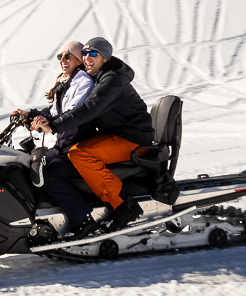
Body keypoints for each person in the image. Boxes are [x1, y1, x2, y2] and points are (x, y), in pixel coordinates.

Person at [30, 37, 154, 239]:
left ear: (105, 57)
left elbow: (88, 109)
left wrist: (53, 126)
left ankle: (124, 205)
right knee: (73, 153)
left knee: (79, 154)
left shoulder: (113, 80)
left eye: (93, 53)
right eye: (85, 52)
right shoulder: (101, 77)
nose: (87, 57)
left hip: (133, 138)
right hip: (117, 136)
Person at [8, 40, 94, 188]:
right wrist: (29, 115)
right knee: (25, 163)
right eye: (60, 56)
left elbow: (72, 114)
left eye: (67, 56)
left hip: (76, 148)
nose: (62, 60)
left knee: (50, 175)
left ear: (79, 61)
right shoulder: (65, 84)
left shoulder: (84, 82)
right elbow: (54, 112)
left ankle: (79, 212)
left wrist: (49, 124)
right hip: (62, 146)